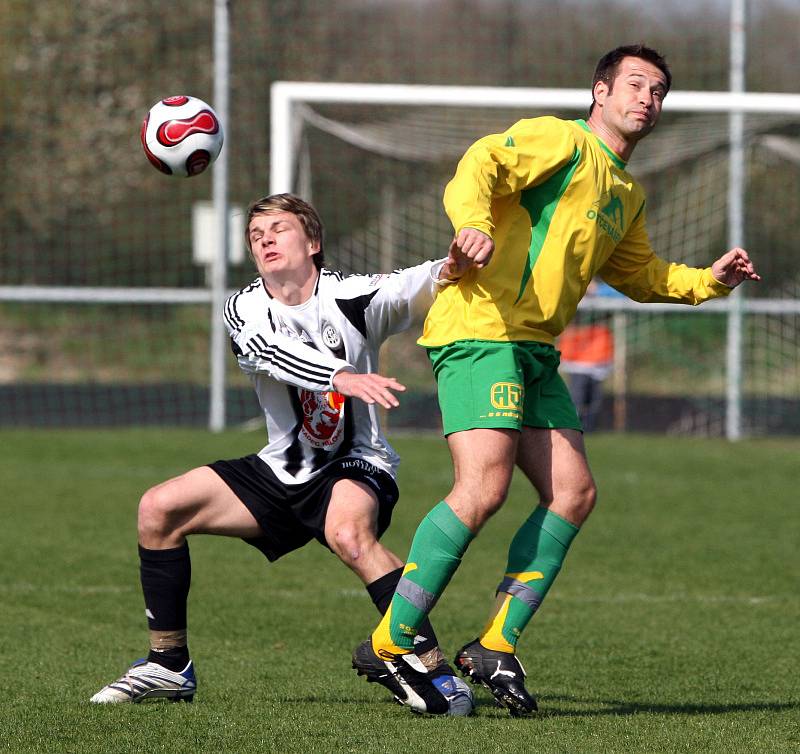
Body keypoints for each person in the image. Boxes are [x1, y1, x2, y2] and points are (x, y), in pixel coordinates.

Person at [353, 44, 760, 717]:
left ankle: (494, 644)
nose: (647, 99)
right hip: (481, 327)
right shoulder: (561, 141)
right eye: (635, 85)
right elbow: (480, 164)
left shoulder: (627, 192)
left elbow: (640, 275)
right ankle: (393, 638)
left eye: (658, 91)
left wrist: (708, 282)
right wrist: (476, 224)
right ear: (599, 91)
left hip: (534, 348)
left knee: (573, 492)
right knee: (483, 488)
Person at [90, 193, 473, 715]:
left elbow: (415, 283)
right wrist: (340, 375)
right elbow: (270, 353)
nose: (265, 240)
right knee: (158, 509)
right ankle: (168, 664)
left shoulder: (353, 298)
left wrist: (454, 263)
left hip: (356, 463)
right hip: (281, 467)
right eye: (255, 235)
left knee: (348, 533)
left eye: (279, 229)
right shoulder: (243, 306)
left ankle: (435, 669)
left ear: (313, 243)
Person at [558, 281, 615, 431]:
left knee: (594, 398)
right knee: (577, 395)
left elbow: (625, 293)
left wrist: (598, 290)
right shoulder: (566, 288)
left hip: (598, 356)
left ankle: (590, 427)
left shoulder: (603, 292)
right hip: (576, 357)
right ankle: (572, 425)